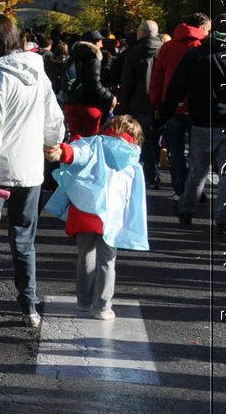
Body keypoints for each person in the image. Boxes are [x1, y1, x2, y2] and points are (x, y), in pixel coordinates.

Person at [0, 14, 65, 333]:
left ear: (1, 41)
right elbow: (54, 121)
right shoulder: (38, 73)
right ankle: (29, 308)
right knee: (23, 242)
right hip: (31, 173)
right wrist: (52, 145)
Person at [44, 114, 150, 321]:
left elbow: (76, 153)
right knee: (107, 259)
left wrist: (60, 151)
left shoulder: (95, 143)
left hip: (86, 210)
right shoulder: (132, 157)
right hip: (113, 216)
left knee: (86, 254)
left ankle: (84, 302)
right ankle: (102, 306)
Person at [157, 15, 226, 234]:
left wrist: (163, 117)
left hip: (202, 122)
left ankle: (187, 209)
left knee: (198, 169)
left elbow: (176, 89)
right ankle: (224, 219)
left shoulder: (196, 55)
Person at [150, 13, 212, 199]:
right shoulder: (203, 47)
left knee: (175, 151)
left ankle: (180, 189)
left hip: (171, 105)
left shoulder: (168, 47)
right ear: (201, 28)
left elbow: (158, 76)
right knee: (198, 153)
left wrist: (157, 103)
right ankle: (196, 191)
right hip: (197, 106)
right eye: (208, 30)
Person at [118, 20, 163, 186]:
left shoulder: (134, 52)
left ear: (143, 32)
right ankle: (155, 173)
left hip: (139, 103)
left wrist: (125, 106)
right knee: (156, 140)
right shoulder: (164, 50)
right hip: (161, 104)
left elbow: (127, 81)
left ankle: (146, 175)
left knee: (141, 142)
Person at [61, 38, 113, 138]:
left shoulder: (71, 58)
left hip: (70, 104)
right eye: (100, 42)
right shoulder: (94, 58)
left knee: (74, 140)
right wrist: (110, 96)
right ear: (93, 43)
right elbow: (95, 84)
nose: (102, 45)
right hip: (90, 106)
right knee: (90, 142)